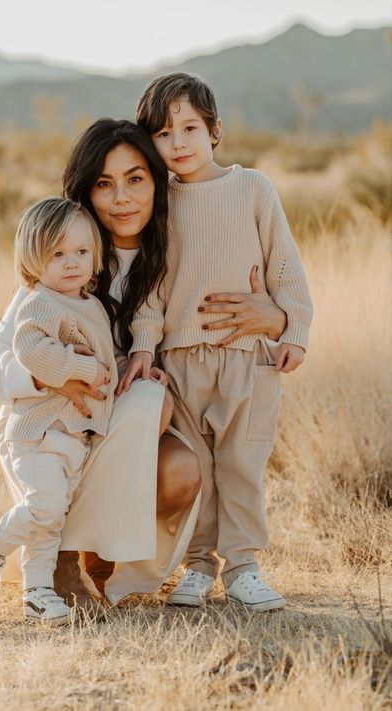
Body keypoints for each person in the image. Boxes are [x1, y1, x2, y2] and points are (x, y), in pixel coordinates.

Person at [0, 118, 287, 608]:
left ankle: (104, 557)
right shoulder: (67, 263)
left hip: (116, 430)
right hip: (48, 433)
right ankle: (63, 553)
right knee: (145, 403)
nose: (122, 198)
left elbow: (250, 300)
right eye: (104, 183)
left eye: (136, 178)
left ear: (159, 182)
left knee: (174, 453)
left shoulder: (175, 257)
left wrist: (278, 317)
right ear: (86, 193)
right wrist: (47, 374)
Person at [120, 73, 313, 611]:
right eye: (162, 134)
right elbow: (151, 292)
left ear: (215, 130)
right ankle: (199, 565)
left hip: (248, 359)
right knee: (200, 470)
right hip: (180, 360)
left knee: (242, 464)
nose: (177, 143)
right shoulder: (161, 204)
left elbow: (286, 269)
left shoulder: (252, 187)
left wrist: (293, 329)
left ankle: (245, 565)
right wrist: (142, 345)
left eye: (189, 128)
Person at [0, 197, 130, 623]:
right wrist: (83, 368)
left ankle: (37, 593)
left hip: (73, 436)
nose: (71, 263)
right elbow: (34, 352)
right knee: (45, 507)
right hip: (38, 430)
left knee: (51, 521)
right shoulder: (37, 302)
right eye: (57, 254)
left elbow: (106, 359)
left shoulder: (89, 305)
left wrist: (115, 371)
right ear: (33, 259)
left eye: (80, 253)